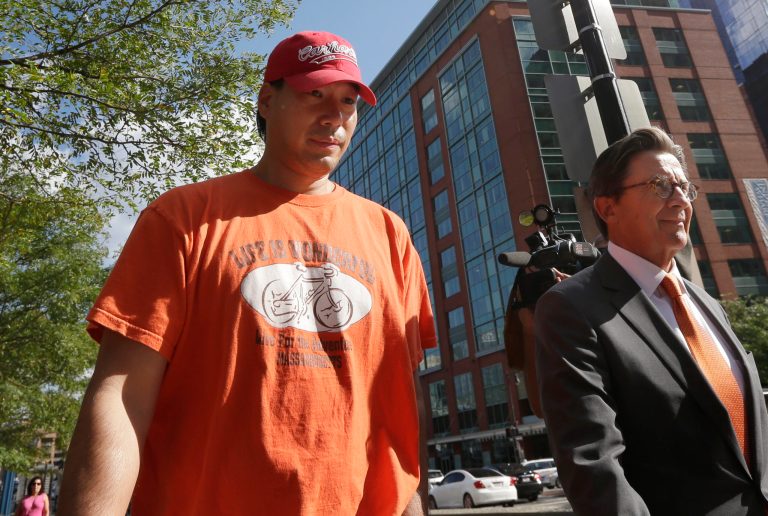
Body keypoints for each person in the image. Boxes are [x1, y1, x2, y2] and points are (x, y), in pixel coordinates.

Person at [58, 31, 436, 515]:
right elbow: (122, 395)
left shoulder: (390, 234)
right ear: (266, 100)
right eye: (314, 94)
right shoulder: (184, 218)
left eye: (347, 101)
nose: (334, 115)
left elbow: (403, 400)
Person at [534, 127, 768, 515]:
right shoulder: (569, 308)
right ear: (608, 207)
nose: (680, 200)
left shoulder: (706, 302)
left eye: (684, 187)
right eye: (660, 185)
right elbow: (593, 467)